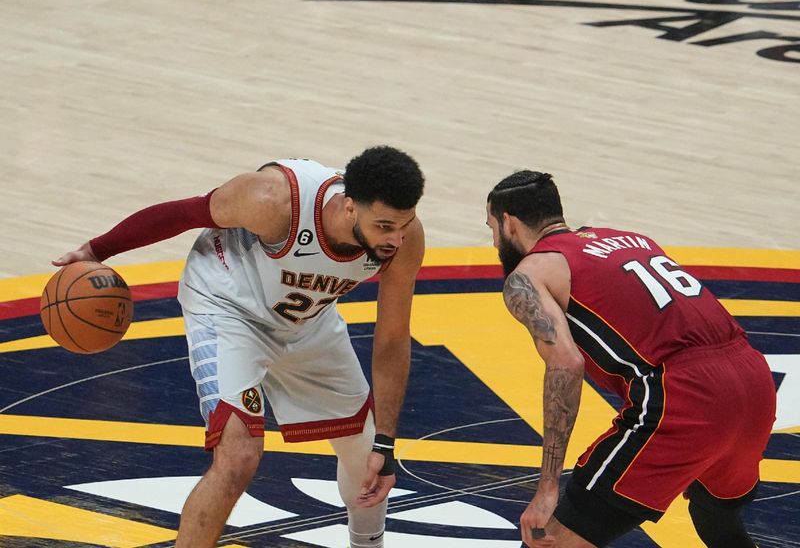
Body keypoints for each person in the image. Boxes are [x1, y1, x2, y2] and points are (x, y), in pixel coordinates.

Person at [54, 145, 426, 548]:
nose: (396, 238)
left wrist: (386, 441)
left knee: (365, 450)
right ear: (350, 207)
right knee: (238, 457)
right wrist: (96, 250)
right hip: (227, 308)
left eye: (403, 225)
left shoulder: (405, 238)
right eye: (385, 226)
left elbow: (391, 339)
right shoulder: (273, 201)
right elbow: (184, 213)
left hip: (305, 319)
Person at [485, 170, 775, 548]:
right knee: (714, 512)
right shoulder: (632, 239)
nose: (493, 241)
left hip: (683, 395)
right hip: (755, 380)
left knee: (548, 538)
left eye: (491, 228)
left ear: (508, 223)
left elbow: (566, 364)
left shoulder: (529, 274)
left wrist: (547, 487)